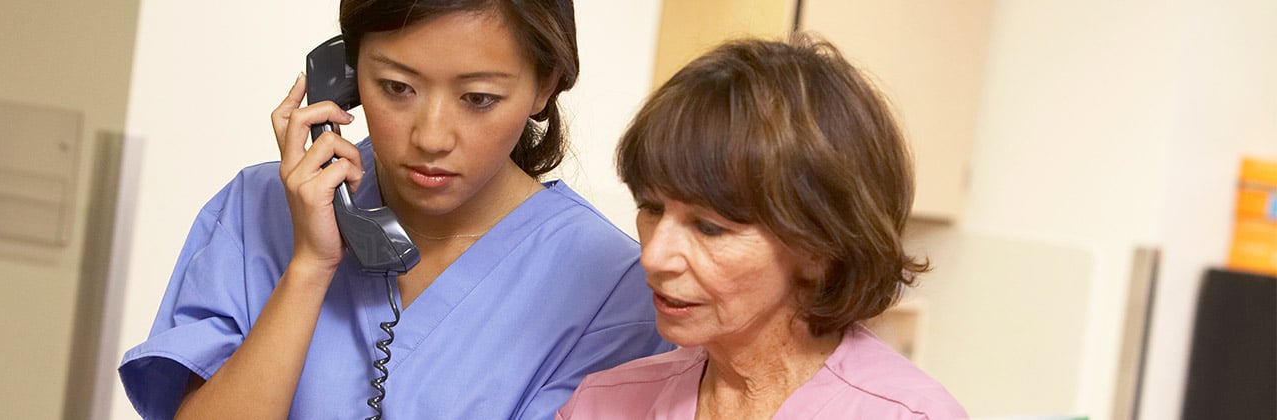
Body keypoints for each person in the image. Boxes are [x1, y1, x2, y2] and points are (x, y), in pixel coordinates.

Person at [117, 1, 671, 419]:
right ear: (347, 74)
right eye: (396, 87)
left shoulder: (612, 288)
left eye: (478, 98)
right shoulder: (253, 211)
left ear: (544, 85)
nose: (431, 137)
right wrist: (309, 267)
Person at [557, 35, 967, 419]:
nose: (654, 256)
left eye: (709, 228)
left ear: (820, 248)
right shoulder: (602, 403)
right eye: (651, 208)